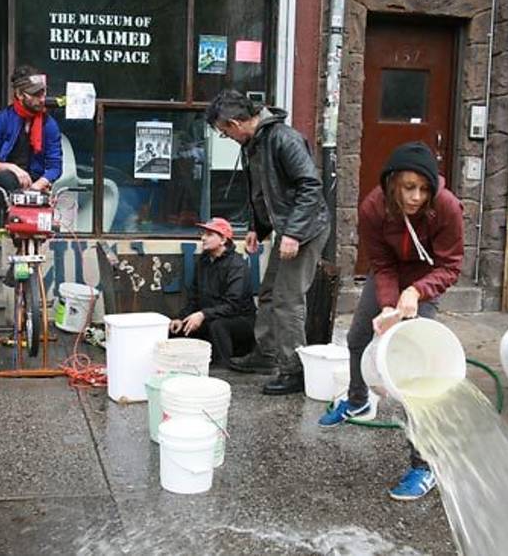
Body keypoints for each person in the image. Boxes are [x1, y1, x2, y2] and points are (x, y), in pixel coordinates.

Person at [318, 142, 464, 501]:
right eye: (408, 187)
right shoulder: (373, 207)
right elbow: (381, 263)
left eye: (423, 189)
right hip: (389, 273)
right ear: (392, 183)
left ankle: (424, 465)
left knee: (418, 373)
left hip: (427, 278)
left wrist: (416, 292)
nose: (415, 197)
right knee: (357, 338)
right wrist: (387, 307)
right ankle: (358, 400)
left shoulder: (446, 207)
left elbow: (451, 266)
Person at [205, 89, 330, 395]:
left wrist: (293, 234)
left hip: (306, 230)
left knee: (288, 300)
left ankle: (294, 371)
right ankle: (267, 354)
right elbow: (263, 191)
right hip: (287, 227)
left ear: (236, 123)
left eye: (224, 132)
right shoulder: (255, 142)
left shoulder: (284, 140)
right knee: (270, 292)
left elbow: (311, 186)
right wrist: (257, 228)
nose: (227, 137)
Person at [0, 64, 63, 226]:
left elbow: (55, 166)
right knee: (5, 177)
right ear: (19, 95)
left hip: (36, 187)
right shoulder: (0, 121)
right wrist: (13, 168)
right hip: (7, 189)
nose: (42, 99)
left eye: (43, 93)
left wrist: (37, 187)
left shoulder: (49, 125)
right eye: (35, 94)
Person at [169, 218, 256, 368]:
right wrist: (180, 318)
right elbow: (194, 298)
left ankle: (224, 368)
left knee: (217, 325)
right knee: (175, 329)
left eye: (209, 234)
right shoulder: (203, 262)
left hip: (239, 321)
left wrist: (202, 315)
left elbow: (233, 305)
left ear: (223, 240)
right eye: (203, 233)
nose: (203, 237)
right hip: (211, 316)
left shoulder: (237, 265)